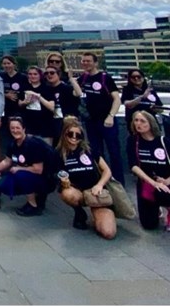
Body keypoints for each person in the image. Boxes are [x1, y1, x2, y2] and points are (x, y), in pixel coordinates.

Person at [56, 117, 117, 239]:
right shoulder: (58, 154)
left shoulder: (90, 150)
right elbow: (57, 174)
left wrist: (99, 185)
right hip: (77, 191)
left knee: (108, 232)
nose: (74, 138)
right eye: (70, 134)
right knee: (68, 194)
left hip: (96, 192)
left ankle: (100, 218)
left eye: (78, 135)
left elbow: (107, 171)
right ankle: (79, 212)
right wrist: (64, 182)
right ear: (64, 134)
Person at [77, 52, 125, 185]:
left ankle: (119, 182)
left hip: (106, 121)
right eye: (83, 61)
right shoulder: (83, 78)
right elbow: (75, 92)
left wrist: (111, 116)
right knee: (97, 152)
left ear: (95, 63)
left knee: (114, 151)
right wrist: (71, 79)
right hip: (91, 121)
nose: (85, 63)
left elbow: (117, 99)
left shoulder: (105, 78)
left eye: (88, 61)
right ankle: (102, 181)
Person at [0, 116, 50, 217]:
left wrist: (19, 168)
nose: (15, 130)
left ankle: (33, 205)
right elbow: (6, 162)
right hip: (30, 174)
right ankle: (36, 196)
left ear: (24, 129)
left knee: (20, 174)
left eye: (18, 128)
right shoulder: (13, 144)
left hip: (45, 177)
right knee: (3, 185)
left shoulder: (33, 144)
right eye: (12, 128)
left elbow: (38, 169)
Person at [127, 111, 170, 231]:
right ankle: (156, 208)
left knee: (163, 193)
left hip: (166, 180)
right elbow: (134, 166)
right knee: (149, 224)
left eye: (142, 121)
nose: (138, 124)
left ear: (151, 123)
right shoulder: (133, 141)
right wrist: (154, 183)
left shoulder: (163, 141)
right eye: (136, 120)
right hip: (148, 182)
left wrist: (167, 181)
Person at [19, 66, 55, 145]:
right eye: (30, 74)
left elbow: (52, 107)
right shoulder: (25, 87)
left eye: (35, 74)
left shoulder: (47, 88)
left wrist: (37, 96)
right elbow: (19, 103)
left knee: (46, 150)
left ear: (40, 75)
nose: (32, 76)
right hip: (29, 126)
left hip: (45, 126)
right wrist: (25, 102)